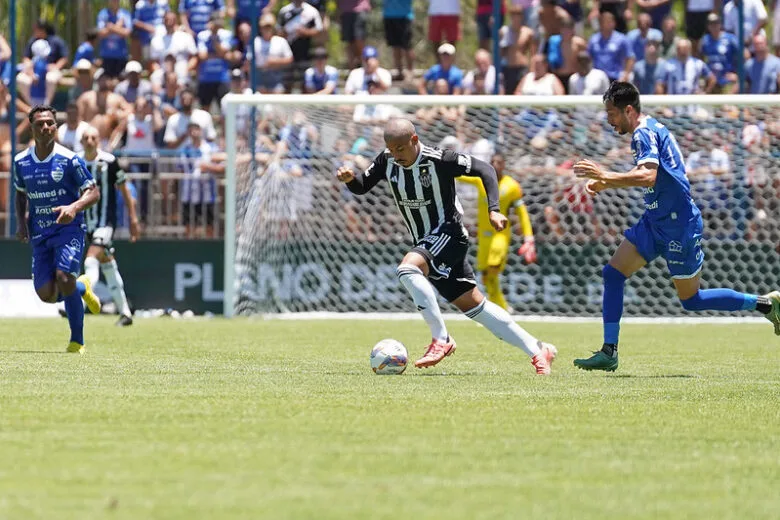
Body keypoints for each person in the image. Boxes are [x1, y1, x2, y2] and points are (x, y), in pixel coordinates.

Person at [572, 82, 780, 372]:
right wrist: (607, 183)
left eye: (612, 113)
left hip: (678, 224)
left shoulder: (643, 132)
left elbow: (648, 176)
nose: (609, 120)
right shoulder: (647, 128)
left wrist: (605, 174)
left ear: (628, 110)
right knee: (613, 273)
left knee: (691, 301)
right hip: (655, 220)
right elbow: (649, 175)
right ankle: (609, 351)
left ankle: (765, 305)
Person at [335, 119, 557, 375]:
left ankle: (441, 339)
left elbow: (485, 168)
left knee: (406, 269)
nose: (396, 155)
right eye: (391, 149)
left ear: (415, 140)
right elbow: (363, 186)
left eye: (401, 148)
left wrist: (494, 210)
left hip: (448, 233)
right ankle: (539, 349)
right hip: (426, 241)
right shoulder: (387, 160)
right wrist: (351, 180)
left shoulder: (439, 160)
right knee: (475, 306)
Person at [14, 105, 101, 353]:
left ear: (55, 126)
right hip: (40, 232)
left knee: (64, 279)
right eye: (40, 123)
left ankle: (77, 341)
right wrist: (21, 223)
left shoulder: (70, 159)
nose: (45, 127)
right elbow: (20, 195)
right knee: (46, 294)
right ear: (31, 128)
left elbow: (93, 191)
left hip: (69, 229)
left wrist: (74, 207)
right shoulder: (21, 161)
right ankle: (82, 287)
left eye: (50, 123)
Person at [457, 153, 536, 311]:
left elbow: (522, 212)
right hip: (483, 237)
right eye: (492, 162)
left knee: (493, 269)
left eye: (498, 162)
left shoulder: (512, 186)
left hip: (500, 235)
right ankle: (500, 308)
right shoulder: (481, 181)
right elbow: (459, 176)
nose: (495, 165)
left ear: (504, 165)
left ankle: (499, 308)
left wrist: (529, 237)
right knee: (486, 278)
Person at [77, 126, 140, 326]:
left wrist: (133, 218)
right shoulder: (75, 162)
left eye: (93, 137)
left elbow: (124, 190)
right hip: (84, 223)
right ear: (81, 141)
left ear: (99, 141)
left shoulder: (110, 162)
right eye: (86, 138)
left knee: (91, 260)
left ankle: (77, 302)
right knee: (109, 266)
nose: (89, 141)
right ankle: (126, 313)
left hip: (105, 222)